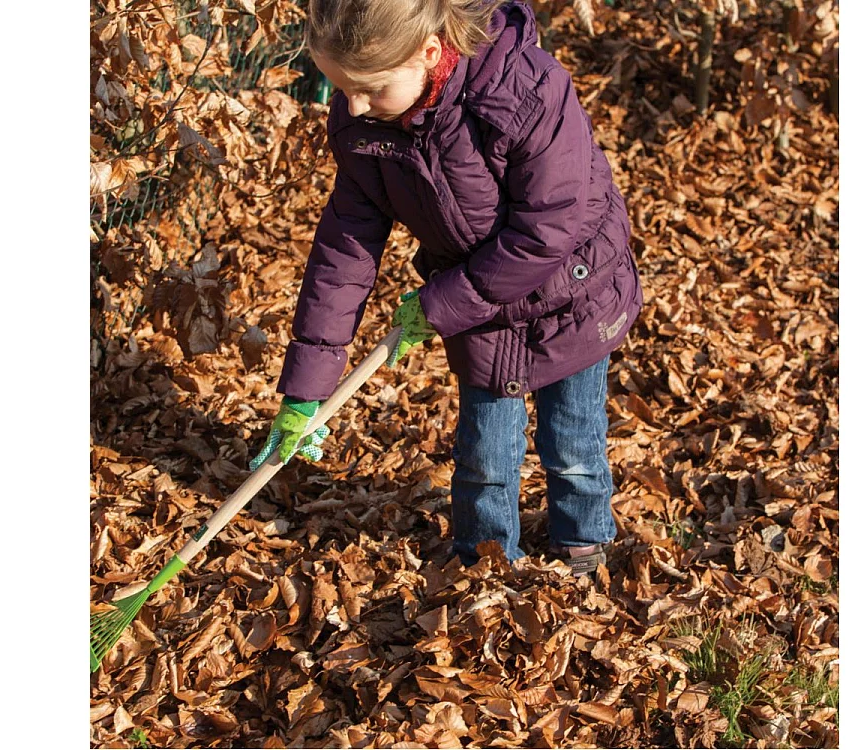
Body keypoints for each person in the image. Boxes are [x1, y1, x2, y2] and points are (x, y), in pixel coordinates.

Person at [250, 0, 643, 577]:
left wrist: (442, 304)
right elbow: (346, 247)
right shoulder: (365, 122)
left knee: (574, 444)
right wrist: (308, 387)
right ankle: (485, 562)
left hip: (572, 291)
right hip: (480, 304)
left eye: (370, 88)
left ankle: (583, 543)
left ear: (429, 53)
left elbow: (546, 229)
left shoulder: (526, 91)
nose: (354, 105)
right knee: (484, 452)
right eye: (342, 89)